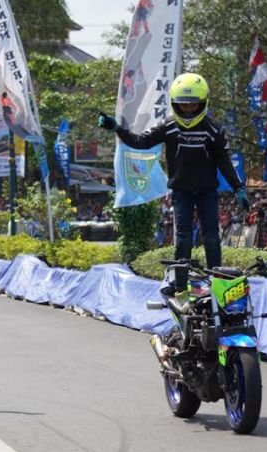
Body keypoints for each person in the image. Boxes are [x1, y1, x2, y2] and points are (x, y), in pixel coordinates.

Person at [98, 72, 249, 295]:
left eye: (193, 105)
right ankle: (180, 287)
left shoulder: (213, 129)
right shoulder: (168, 126)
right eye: (183, 105)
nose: (188, 110)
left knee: (211, 238)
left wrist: (238, 188)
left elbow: (224, 161)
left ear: (203, 103)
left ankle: (218, 284)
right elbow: (140, 142)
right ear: (175, 104)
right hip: (181, 191)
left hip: (207, 191)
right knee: (183, 239)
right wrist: (117, 128)